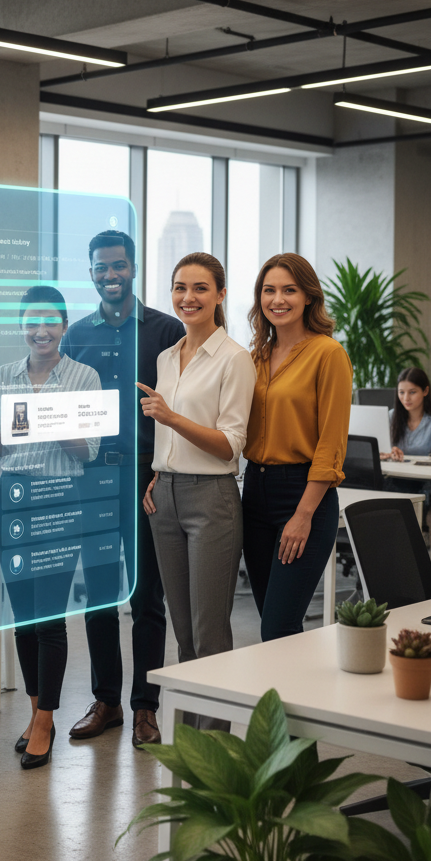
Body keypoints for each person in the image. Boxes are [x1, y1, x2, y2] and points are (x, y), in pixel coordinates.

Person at [60, 230, 184, 748]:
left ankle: (145, 707)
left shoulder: (166, 330)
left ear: (133, 268)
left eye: (118, 266)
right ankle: (107, 700)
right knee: (99, 597)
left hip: (145, 476)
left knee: (147, 597)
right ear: (90, 273)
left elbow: (183, 408)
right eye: (100, 268)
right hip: (91, 476)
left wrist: (164, 466)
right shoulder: (76, 336)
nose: (110, 275)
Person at [0, 286, 101, 768]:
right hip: (12, 498)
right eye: (32, 321)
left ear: (64, 327)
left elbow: (88, 451)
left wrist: (54, 424)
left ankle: (47, 719)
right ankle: (34, 711)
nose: (41, 331)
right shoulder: (0, 377)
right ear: (22, 326)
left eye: (51, 321)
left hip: (58, 498)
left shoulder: (83, 377)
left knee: (50, 616)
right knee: (23, 616)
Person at [138, 253, 256, 729]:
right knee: (183, 634)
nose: (188, 298)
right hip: (164, 497)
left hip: (211, 500)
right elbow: (169, 441)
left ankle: (215, 749)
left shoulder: (235, 359)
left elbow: (230, 444)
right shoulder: (168, 357)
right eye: (180, 288)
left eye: (200, 288)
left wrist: (171, 418)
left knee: (209, 635)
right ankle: (189, 747)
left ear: (221, 295)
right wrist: (157, 471)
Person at [242, 252, 352, 642]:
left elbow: (331, 443)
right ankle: (282, 704)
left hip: (305, 494)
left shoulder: (329, 354)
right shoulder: (253, 357)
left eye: (289, 290)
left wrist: (303, 514)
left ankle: (285, 705)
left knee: (279, 626)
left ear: (309, 296)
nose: (278, 299)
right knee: (272, 625)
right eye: (269, 291)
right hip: (254, 491)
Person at [383, 368, 431, 463]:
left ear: (425, 391)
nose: (406, 398)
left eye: (412, 392)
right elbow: (380, 448)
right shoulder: (390, 416)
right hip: (393, 473)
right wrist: (387, 453)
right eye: (401, 392)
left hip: (423, 476)